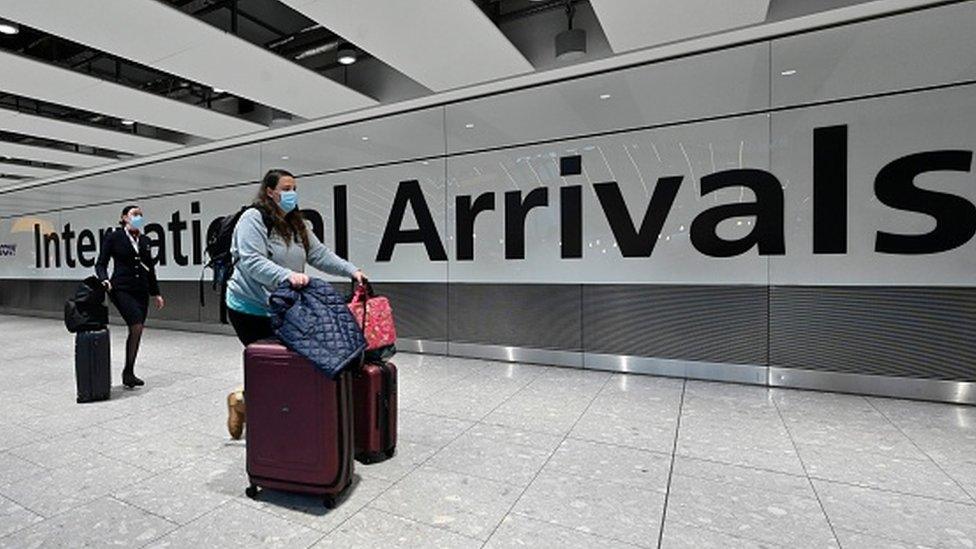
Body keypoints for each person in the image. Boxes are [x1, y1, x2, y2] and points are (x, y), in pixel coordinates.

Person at [224, 169, 366, 438]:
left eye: (294, 189)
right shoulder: (253, 219)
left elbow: (319, 254)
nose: (292, 194)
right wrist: (288, 276)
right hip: (249, 307)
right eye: (286, 188)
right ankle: (254, 411)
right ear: (269, 191)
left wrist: (351, 271)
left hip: (282, 305)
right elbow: (252, 261)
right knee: (274, 366)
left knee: (288, 365)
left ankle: (245, 402)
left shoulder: (295, 223)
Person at [95, 205, 166, 388]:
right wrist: (104, 280)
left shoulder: (145, 240)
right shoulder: (114, 237)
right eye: (134, 214)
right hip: (121, 289)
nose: (138, 217)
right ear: (124, 217)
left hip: (141, 290)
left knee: (138, 329)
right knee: (136, 324)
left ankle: (129, 371)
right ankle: (128, 371)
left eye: (140, 214)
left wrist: (156, 293)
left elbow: (150, 269)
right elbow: (101, 263)